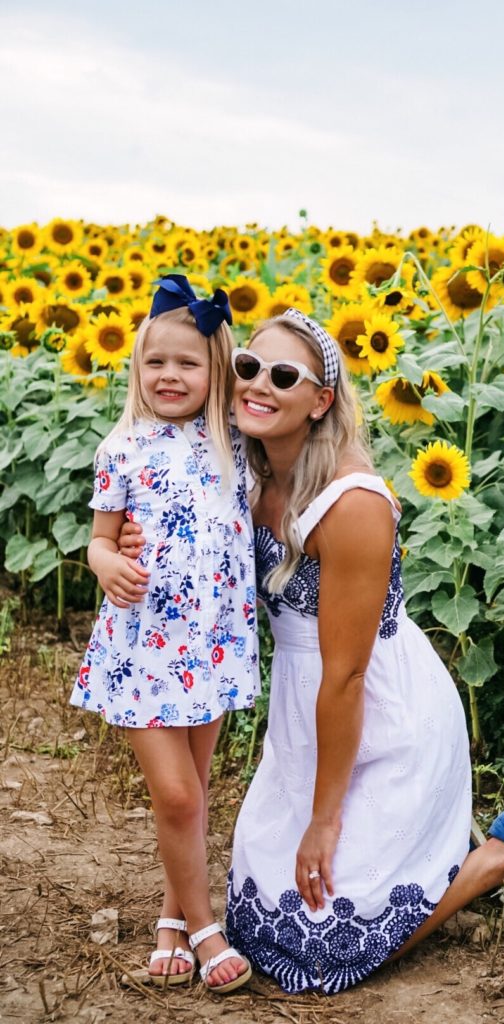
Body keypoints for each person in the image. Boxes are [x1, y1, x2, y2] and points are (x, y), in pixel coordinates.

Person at [120, 308, 504, 996]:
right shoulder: (242, 470)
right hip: (306, 724)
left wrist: (323, 820)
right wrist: (132, 543)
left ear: (321, 400)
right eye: (248, 367)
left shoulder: (353, 502)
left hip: (381, 717)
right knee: (258, 933)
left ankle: (493, 861)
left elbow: (346, 676)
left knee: (321, 959)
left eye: (284, 376)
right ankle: (419, 857)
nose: (258, 386)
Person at [69, 275, 258, 994]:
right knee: (177, 796)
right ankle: (209, 930)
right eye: (156, 362)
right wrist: (109, 563)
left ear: (215, 371)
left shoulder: (234, 442)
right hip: (143, 644)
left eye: (188, 362)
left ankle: (170, 921)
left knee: (197, 789)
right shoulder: (122, 445)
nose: (169, 375)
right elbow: (98, 539)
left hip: (210, 643)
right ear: (135, 370)